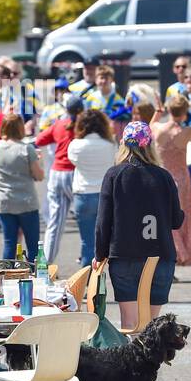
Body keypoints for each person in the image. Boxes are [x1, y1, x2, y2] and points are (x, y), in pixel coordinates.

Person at [94, 121, 183, 335]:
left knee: (130, 324)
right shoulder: (163, 176)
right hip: (160, 257)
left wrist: (100, 254)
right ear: (149, 145)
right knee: (154, 329)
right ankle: (151, 368)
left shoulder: (114, 175)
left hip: (125, 255)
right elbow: (176, 221)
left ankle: (132, 368)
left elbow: (103, 221)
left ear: (124, 144)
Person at [151, 94, 191, 266]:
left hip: (162, 178)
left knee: (165, 217)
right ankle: (184, 252)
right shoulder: (185, 132)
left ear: (169, 109)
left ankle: (171, 252)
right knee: (185, 215)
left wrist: (157, 112)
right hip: (181, 179)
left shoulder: (158, 129)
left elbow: (150, 125)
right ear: (184, 113)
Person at [36, 93, 82, 264]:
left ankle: (45, 264)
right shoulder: (84, 126)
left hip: (56, 173)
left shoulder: (59, 124)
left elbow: (39, 140)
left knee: (55, 222)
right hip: (75, 174)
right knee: (87, 219)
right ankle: (87, 259)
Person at [68, 109, 116, 269]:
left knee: (87, 243)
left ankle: (85, 282)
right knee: (105, 244)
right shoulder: (110, 145)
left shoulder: (75, 145)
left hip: (83, 195)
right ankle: (100, 281)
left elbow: (73, 161)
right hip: (105, 196)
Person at [0, 113, 43, 261]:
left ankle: (6, 278)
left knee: (9, 244)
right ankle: (36, 278)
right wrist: (39, 161)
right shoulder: (26, 149)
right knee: (33, 246)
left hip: (4, 201)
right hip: (26, 201)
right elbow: (39, 176)